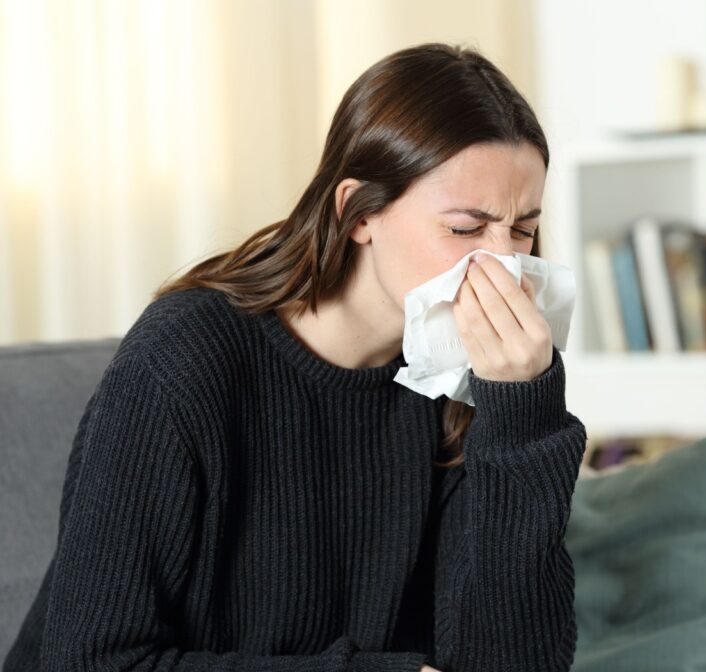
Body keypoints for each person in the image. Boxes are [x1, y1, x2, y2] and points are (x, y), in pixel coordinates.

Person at [2, 42, 586, 672]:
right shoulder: (184, 360)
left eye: (522, 228)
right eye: (466, 229)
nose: (502, 264)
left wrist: (522, 414)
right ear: (358, 213)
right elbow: (89, 661)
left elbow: (510, 661)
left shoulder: (466, 382)